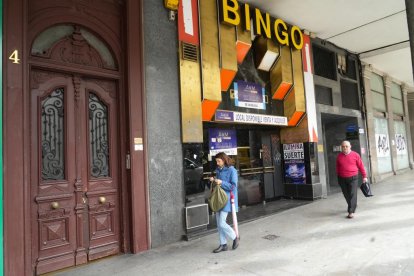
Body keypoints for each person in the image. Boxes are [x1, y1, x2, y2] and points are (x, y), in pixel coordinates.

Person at [209, 152, 239, 253]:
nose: (217, 163)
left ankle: (235, 237)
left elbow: (233, 187)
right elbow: (218, 184)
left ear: (224, 160)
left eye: (219, 161)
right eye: (216, 161)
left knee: (222, 222)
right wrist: (214, 180)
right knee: (219, 223)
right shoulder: (218, 170)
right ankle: (223, 244)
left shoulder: (232, 170)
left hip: (226, 199)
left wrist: (221, 182)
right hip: (218, 198)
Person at [336, 140, 368, 219]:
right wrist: (338, 178)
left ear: (350, 147)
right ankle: (353, 205)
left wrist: (364, 176)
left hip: (353, 177)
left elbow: (361, 166)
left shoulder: (356, 155)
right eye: (343, 146)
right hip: (342, 178)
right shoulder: (339, 156)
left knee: (352, 194)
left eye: (346, 146)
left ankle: (351, 211)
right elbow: (337, 168)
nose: (345, 148)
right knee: (346, 194)